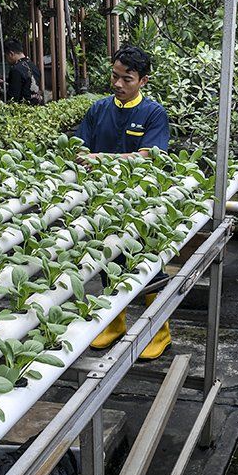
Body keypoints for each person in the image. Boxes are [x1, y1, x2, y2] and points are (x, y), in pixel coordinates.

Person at [76, 45, 173, 359]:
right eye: (115, 76)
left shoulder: (153, 114)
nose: (117, 84)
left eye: (126, 79)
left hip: (142, 202)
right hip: (103, 199)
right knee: (108, 260)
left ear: (143, 81)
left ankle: (159, 332)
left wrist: (100, 158)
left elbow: (149, 157)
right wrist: (85, 158)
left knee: (146, 263)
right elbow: (79, 149)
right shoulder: (99, 109)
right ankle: (113, 322)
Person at [0, 40, 43, 104]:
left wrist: (0, 90)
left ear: (11, 54)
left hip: (23, 111)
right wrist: (5, 82)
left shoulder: (15, 69)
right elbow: (26, 85)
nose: (6, 60)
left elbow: (12, 99)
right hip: (38, 107)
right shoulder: (34, 66)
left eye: (6, 56)